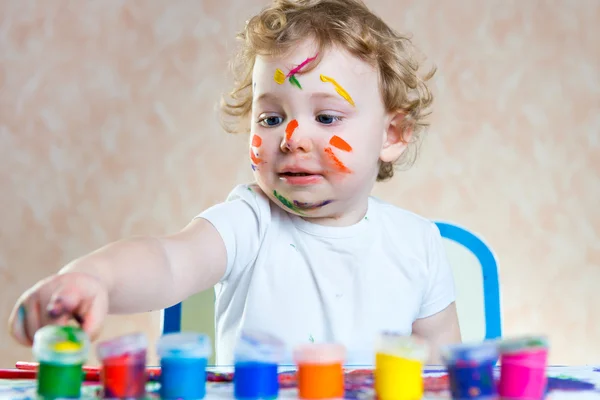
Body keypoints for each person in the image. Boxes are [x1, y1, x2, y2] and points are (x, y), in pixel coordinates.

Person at [9, 0, 461, 365]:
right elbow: (169, 261)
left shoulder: (418, 244)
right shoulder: (250, 222)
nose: (292, 138)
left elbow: (443, 369)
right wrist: (96, 277)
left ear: (392, 135)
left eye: (326, 116)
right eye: (271, 117)